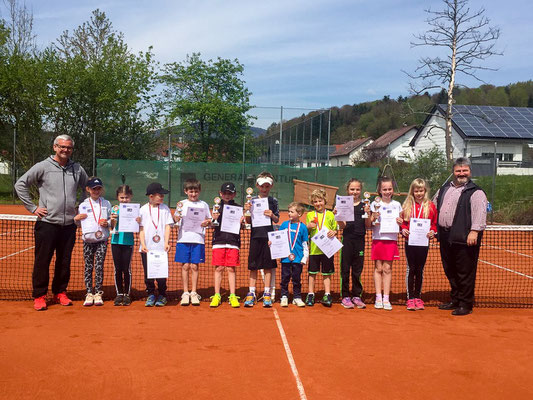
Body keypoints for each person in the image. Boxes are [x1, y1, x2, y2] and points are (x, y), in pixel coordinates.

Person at [14, 134, 88, 311]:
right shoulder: (43, 166)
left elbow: (88, 187)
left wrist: (82, 207)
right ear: (54, 147)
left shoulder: (77, 169)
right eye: (62, 147)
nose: (65, 150)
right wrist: (33, 208)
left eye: (69, 147)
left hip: (69, 225)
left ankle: (60, 292)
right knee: (42, 261)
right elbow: (20, 184)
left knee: (64, 261)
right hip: (46, 223)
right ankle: (40, 295)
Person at [435, 157, 487, 316]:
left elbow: (480, 213)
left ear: (470, 172)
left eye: (464, 170)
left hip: (465, 237)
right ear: (453, 172)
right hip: (444, 236)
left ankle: (466, 304)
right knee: (449, 269)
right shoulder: (444, 189)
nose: (461, 173)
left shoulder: (476, 192)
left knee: (465, 271)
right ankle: (456, 299)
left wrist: (475, 231)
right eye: (458, 170)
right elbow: (432, 206)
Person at [243, 172, 280, 308]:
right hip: (255, 236)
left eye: (267, 186)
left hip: (269, 238)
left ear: (270, 186)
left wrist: (272, 215)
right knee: (253, 266)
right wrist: (247, 211)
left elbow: (277, 219)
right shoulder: (250, 200)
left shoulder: (273, 201)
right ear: (257, 185)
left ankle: (267, 293)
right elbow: (247, 220)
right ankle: (251, 293)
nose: (264, 189)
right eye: (262, 186)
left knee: (268, 266)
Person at [173, 179, 211, 306]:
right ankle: (185, 293)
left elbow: (209, 220)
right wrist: (176, 218)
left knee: (194, 266)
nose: (193, 194)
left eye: (195, 191)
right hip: (183, 239)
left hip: (198, 239)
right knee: (185, 266)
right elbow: (175, 221)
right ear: (186, 191)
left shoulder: (204, 205)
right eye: (191, 191)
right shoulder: (181, 204)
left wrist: (207, 222)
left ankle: (194, 292)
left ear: (199, 192)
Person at [400, 178, 437, 311]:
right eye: (416, 191)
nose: (419, 193)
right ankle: (410, 298)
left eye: (421, 190)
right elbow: (403, 224)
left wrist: (433, 231)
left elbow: (434, 224)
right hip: (409, 242)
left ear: (425, 191)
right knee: (411, 269)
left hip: (423, 242)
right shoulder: (406, 206)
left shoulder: (431, 206)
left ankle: (418, 297)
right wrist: (403, 229)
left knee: (420, 269)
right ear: (412, 191)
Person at [74, 177, 111, 306]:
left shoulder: (106, 203)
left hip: (102, 240)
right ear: (88, 189)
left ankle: (98, 292)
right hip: (88, 240)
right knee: (88, 266)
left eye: (99, 188)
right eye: (94, 188)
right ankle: (89, 293)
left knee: (99, 266)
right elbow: (79, 224)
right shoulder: (83, 205)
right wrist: (76, 219)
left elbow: (112, 221)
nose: (96, 191)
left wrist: (108, 223)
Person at [337, 179, 372, 309]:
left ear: (361, 191)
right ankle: (345, 296)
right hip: (347, 240)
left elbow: (368, 225)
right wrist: (339, 217)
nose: (355, 192)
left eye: (357, 189)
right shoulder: (343, 204)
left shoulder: (365, 205)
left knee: (357, 269)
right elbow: (342, 227)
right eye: (352, 189)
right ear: (347, 190)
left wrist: (368, 213)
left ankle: (356, 295)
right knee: (345, 269)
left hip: (360, 241)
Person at [370, 177, 403, 311]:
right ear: (380, 190)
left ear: (393, 190)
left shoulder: (397, 205)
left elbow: (401, 223)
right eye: (384, 189)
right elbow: (371, 221)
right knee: (378, 268)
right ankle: (378, 297)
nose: (387, 191)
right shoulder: (374, 204)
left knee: (387, 269)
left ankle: (386, 298)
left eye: (389, 189)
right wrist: (374, 216)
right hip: (378, 238)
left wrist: (400, 222)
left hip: (391, 239)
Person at [209, 182, 243, 308]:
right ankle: (217, 295)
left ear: (234, 194)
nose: (227, 195)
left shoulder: (238, 208)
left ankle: (232, 295)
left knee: (231, 268)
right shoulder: (216, 208)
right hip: (218, 241)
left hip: (233, 242)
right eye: (225, 193)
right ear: (220, 194)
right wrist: (213, 218)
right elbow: (212, 225)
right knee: (218, 268)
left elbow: (242, 227)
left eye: (230, 193)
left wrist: (241, 222)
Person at [139, 182, 173, 307]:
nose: (162, 197)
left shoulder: (165, 209)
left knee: (161, 272)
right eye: (160, 194)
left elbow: (168, 226)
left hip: (161, 248)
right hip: (147, 248)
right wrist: (143, 244)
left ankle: (162, 294)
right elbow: (141, 229)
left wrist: (166, 243)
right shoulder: (142, 209)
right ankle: (151, 294)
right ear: (151, 196)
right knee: (148, 273)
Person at [305, 188, 338, 307]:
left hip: (327, 248)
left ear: (325, 201)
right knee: (312, 273)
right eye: (315, 202)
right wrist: (308, 227)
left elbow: (335, 229)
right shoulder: (310, 215)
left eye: (320, 201)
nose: (318, 204)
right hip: (314, 249)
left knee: (326, 273)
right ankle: (310, 294)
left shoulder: (330, 215)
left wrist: (334, 232)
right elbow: (307, 231)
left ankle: (327, 294)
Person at [109, 185, 139, 306]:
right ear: (117, 197)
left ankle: (127, 294)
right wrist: (112, 219)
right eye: (121, 197)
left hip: (128, 242)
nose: (124, 200)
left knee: (126, 269)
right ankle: (119, 294)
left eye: (126, 197)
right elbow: (111, 227)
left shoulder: (134, 210)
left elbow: (137, 226)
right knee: (117, 269)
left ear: (130, 196)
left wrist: (137, 220)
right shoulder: (114, 209)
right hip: (115, 241)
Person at [277, 202, 309, 307]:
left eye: (292, 212)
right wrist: (273, 244)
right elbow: (278, 238)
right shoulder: (284, 225)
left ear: (299, 214)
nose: (289, 214)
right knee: (285, 278)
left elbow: (305, 244)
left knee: (296, 279)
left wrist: (304, 258)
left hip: (298, 258)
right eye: (288, 211)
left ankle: (297, 297)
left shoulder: (303, 227)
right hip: (285, 258)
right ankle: (284, 296)